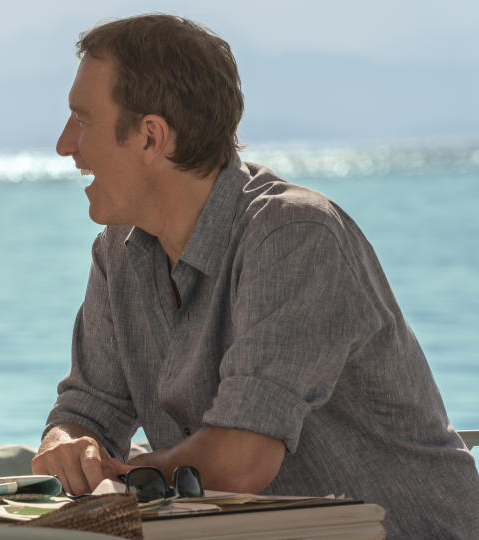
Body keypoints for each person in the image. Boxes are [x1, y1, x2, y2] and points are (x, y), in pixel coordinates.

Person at [31, 14, 479, 538]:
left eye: (81, 120)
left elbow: (242, 459)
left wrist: (123, 477)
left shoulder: (294, 234)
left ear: (152, 137)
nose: (65, 145)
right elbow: (89, 409)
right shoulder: (119, 253)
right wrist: (66, 445)